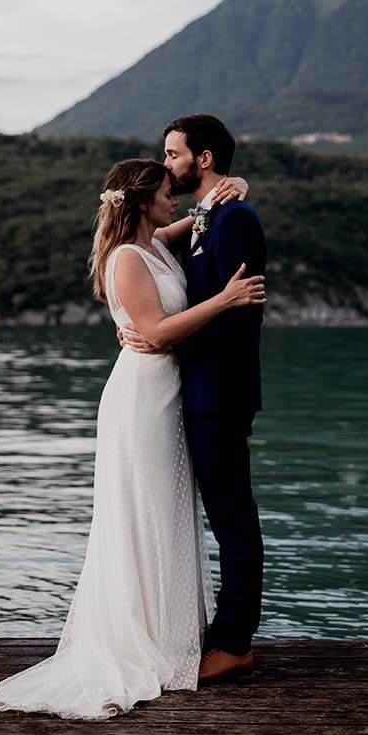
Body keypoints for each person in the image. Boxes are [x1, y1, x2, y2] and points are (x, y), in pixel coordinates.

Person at [0, 158, 264, 720]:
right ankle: (140, 640)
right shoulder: (127, 257)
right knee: (141, 513)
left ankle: (169, 632)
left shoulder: (156, 239)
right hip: (142, 400)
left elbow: (203, 217)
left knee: (164, 511)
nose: (174, 200)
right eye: (164, 193)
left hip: (169, 392)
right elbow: (156, 331)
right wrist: (225, 300)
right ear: (140, 203)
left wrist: (238, 188)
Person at [122, 114, 267, 683]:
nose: (166, 166)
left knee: (233, 519)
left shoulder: (236, 219)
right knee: (220, 515)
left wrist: (160, 334)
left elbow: (230, 318)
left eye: (173, 155)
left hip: (219, 394)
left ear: (203, 158)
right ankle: (214, 629)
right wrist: (140, 323)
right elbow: (146, 262)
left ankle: (234, 642)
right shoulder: (210, 215)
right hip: (195, 391)